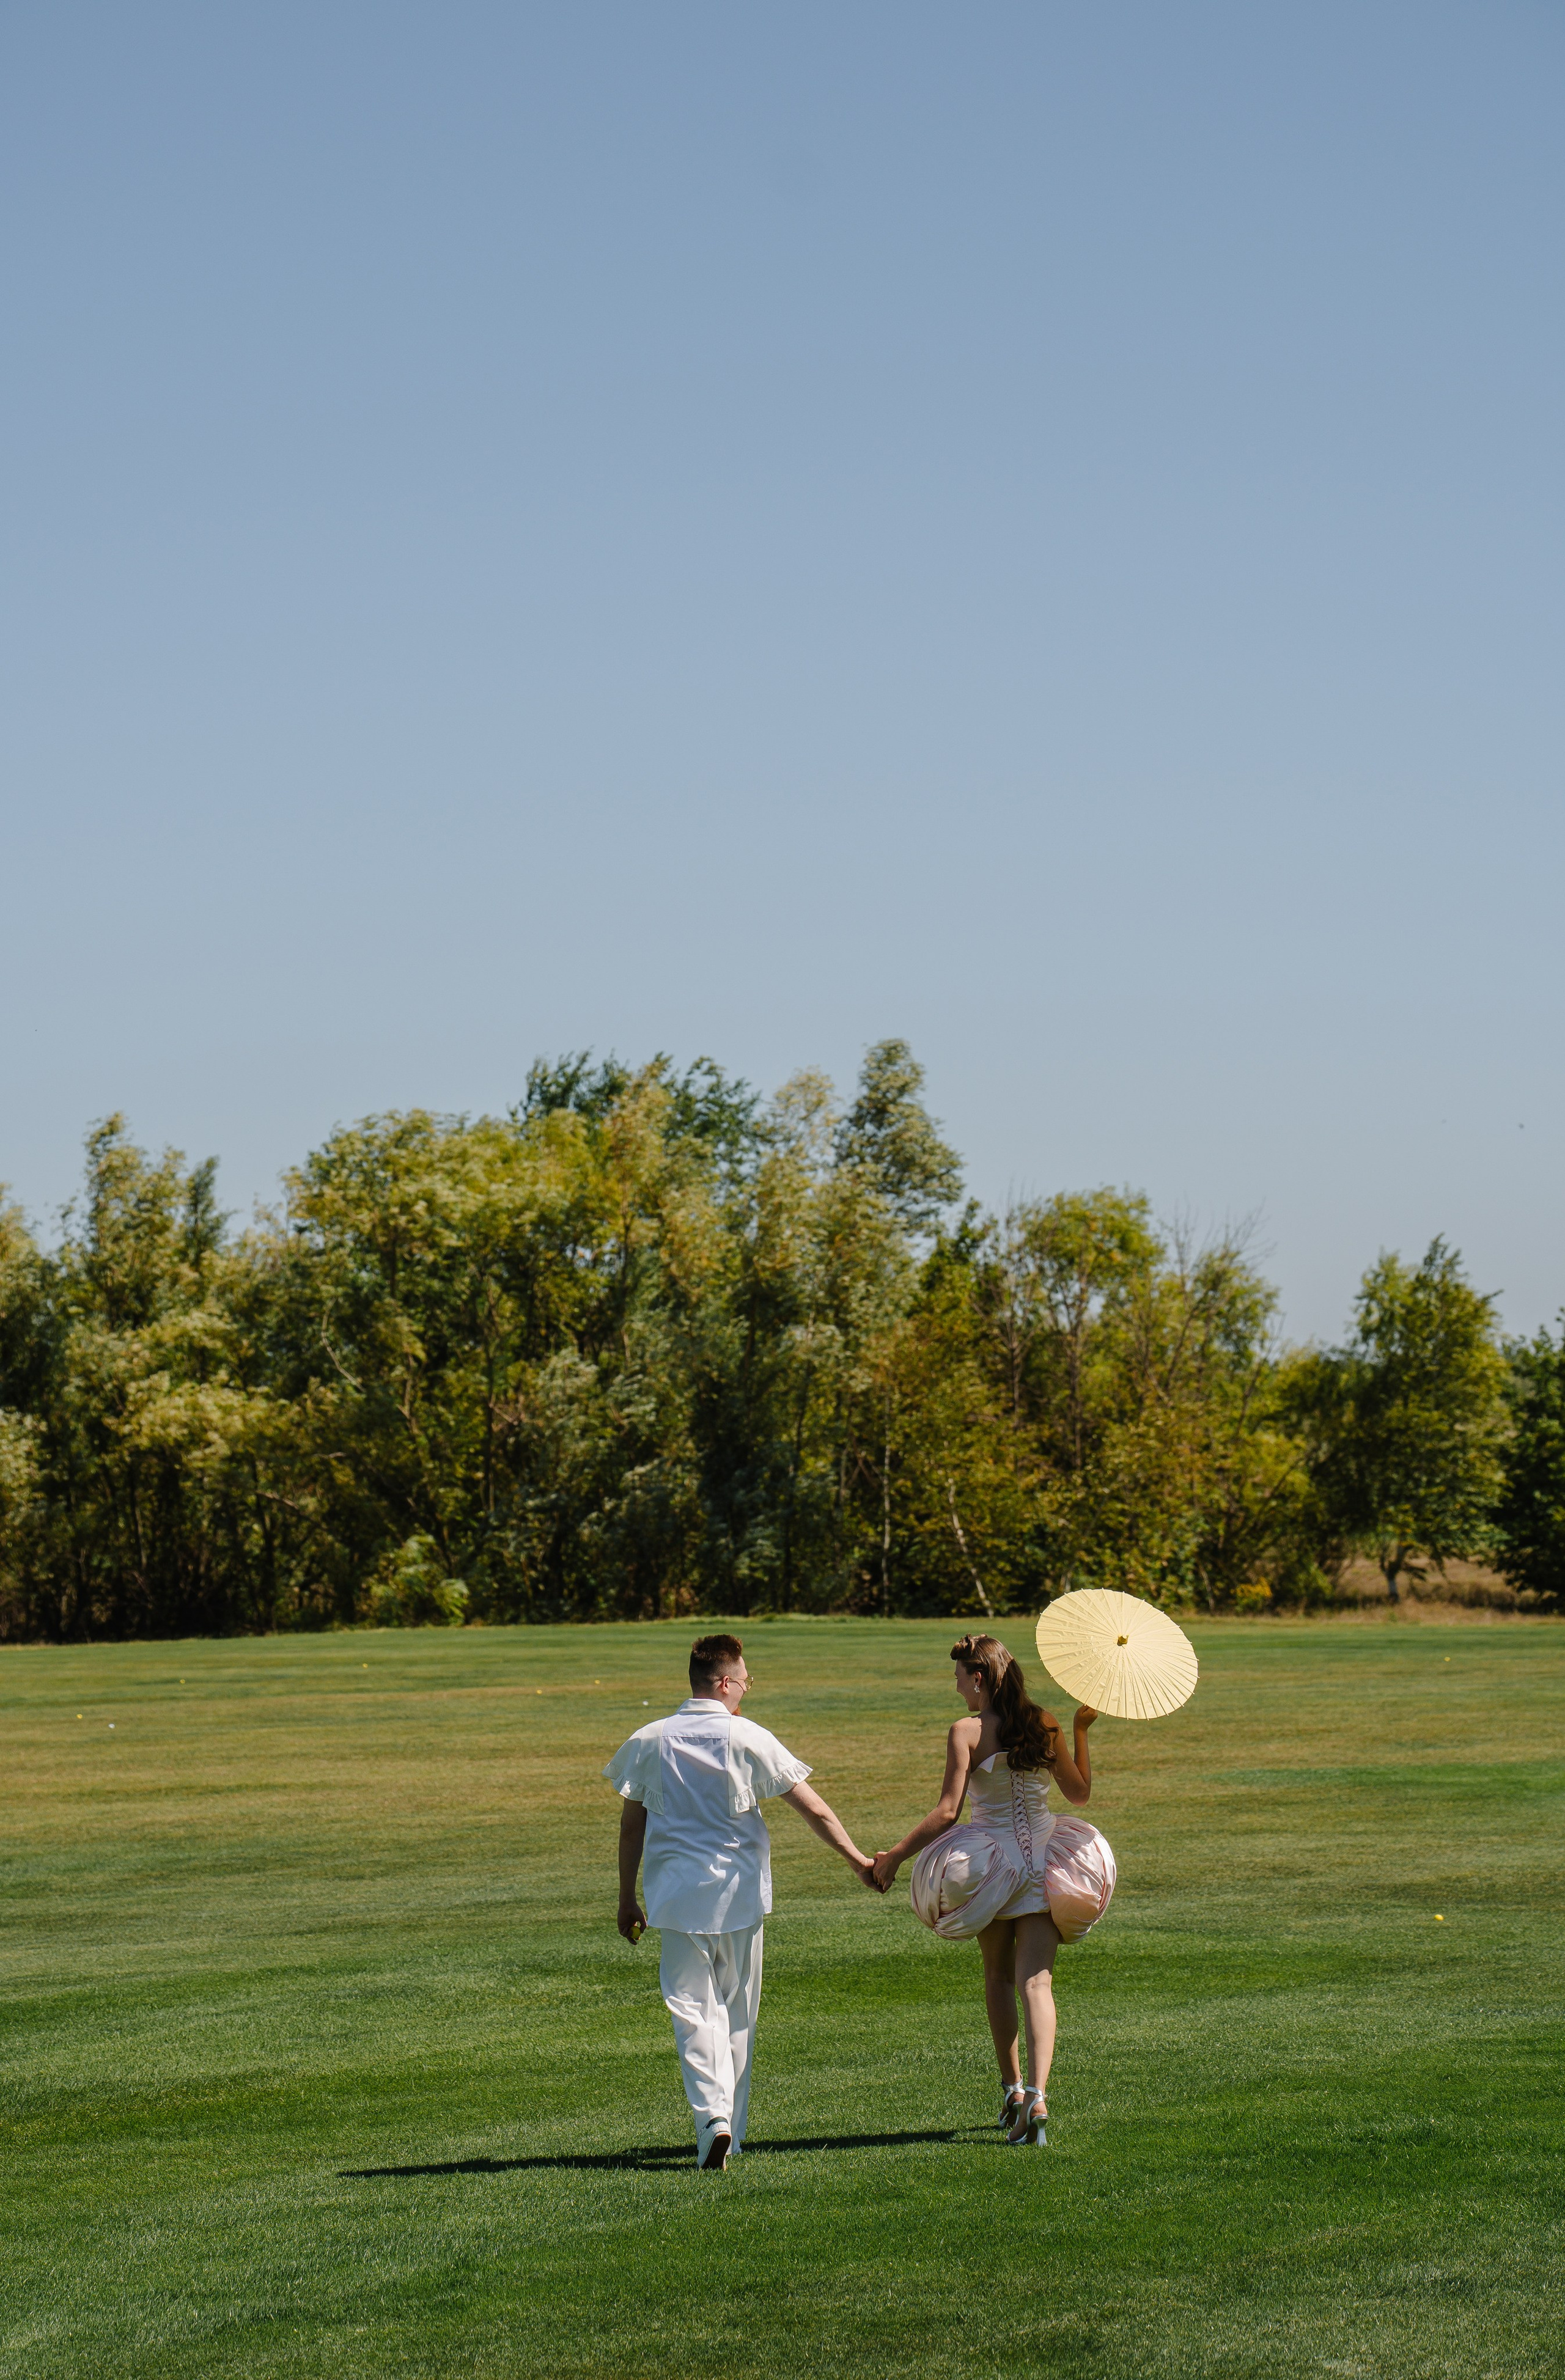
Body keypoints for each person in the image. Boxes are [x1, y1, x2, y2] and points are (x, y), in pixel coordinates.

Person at [605, 1632, 877, 2171]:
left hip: (677, 1897)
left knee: (691, 2011)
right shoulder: (747, 1736)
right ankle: (732, 2127)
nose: (747, 1688)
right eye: (746, 1679)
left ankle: (713, 2121)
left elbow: (631, 1824)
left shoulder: (650, 1738)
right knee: (736, 2013)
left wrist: (625, 1895)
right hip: (740, 1895)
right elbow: (814, 1809)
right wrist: (858, 1861)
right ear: (725, 1682)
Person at [869, 1633, 1111, 2148]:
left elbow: (946, 1812)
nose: (956, 1686)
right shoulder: (1042, 1722)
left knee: (998, 1975)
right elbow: (1080, 1793)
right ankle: (1041, 2096)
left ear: (977, 1678)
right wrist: (1080, 1729)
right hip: (1048, 1864)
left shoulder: (966, 1731)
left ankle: (1014, 2091)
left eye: (958, 1676)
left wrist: (894, 1856)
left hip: (991, 1869)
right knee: (1038, 1986)